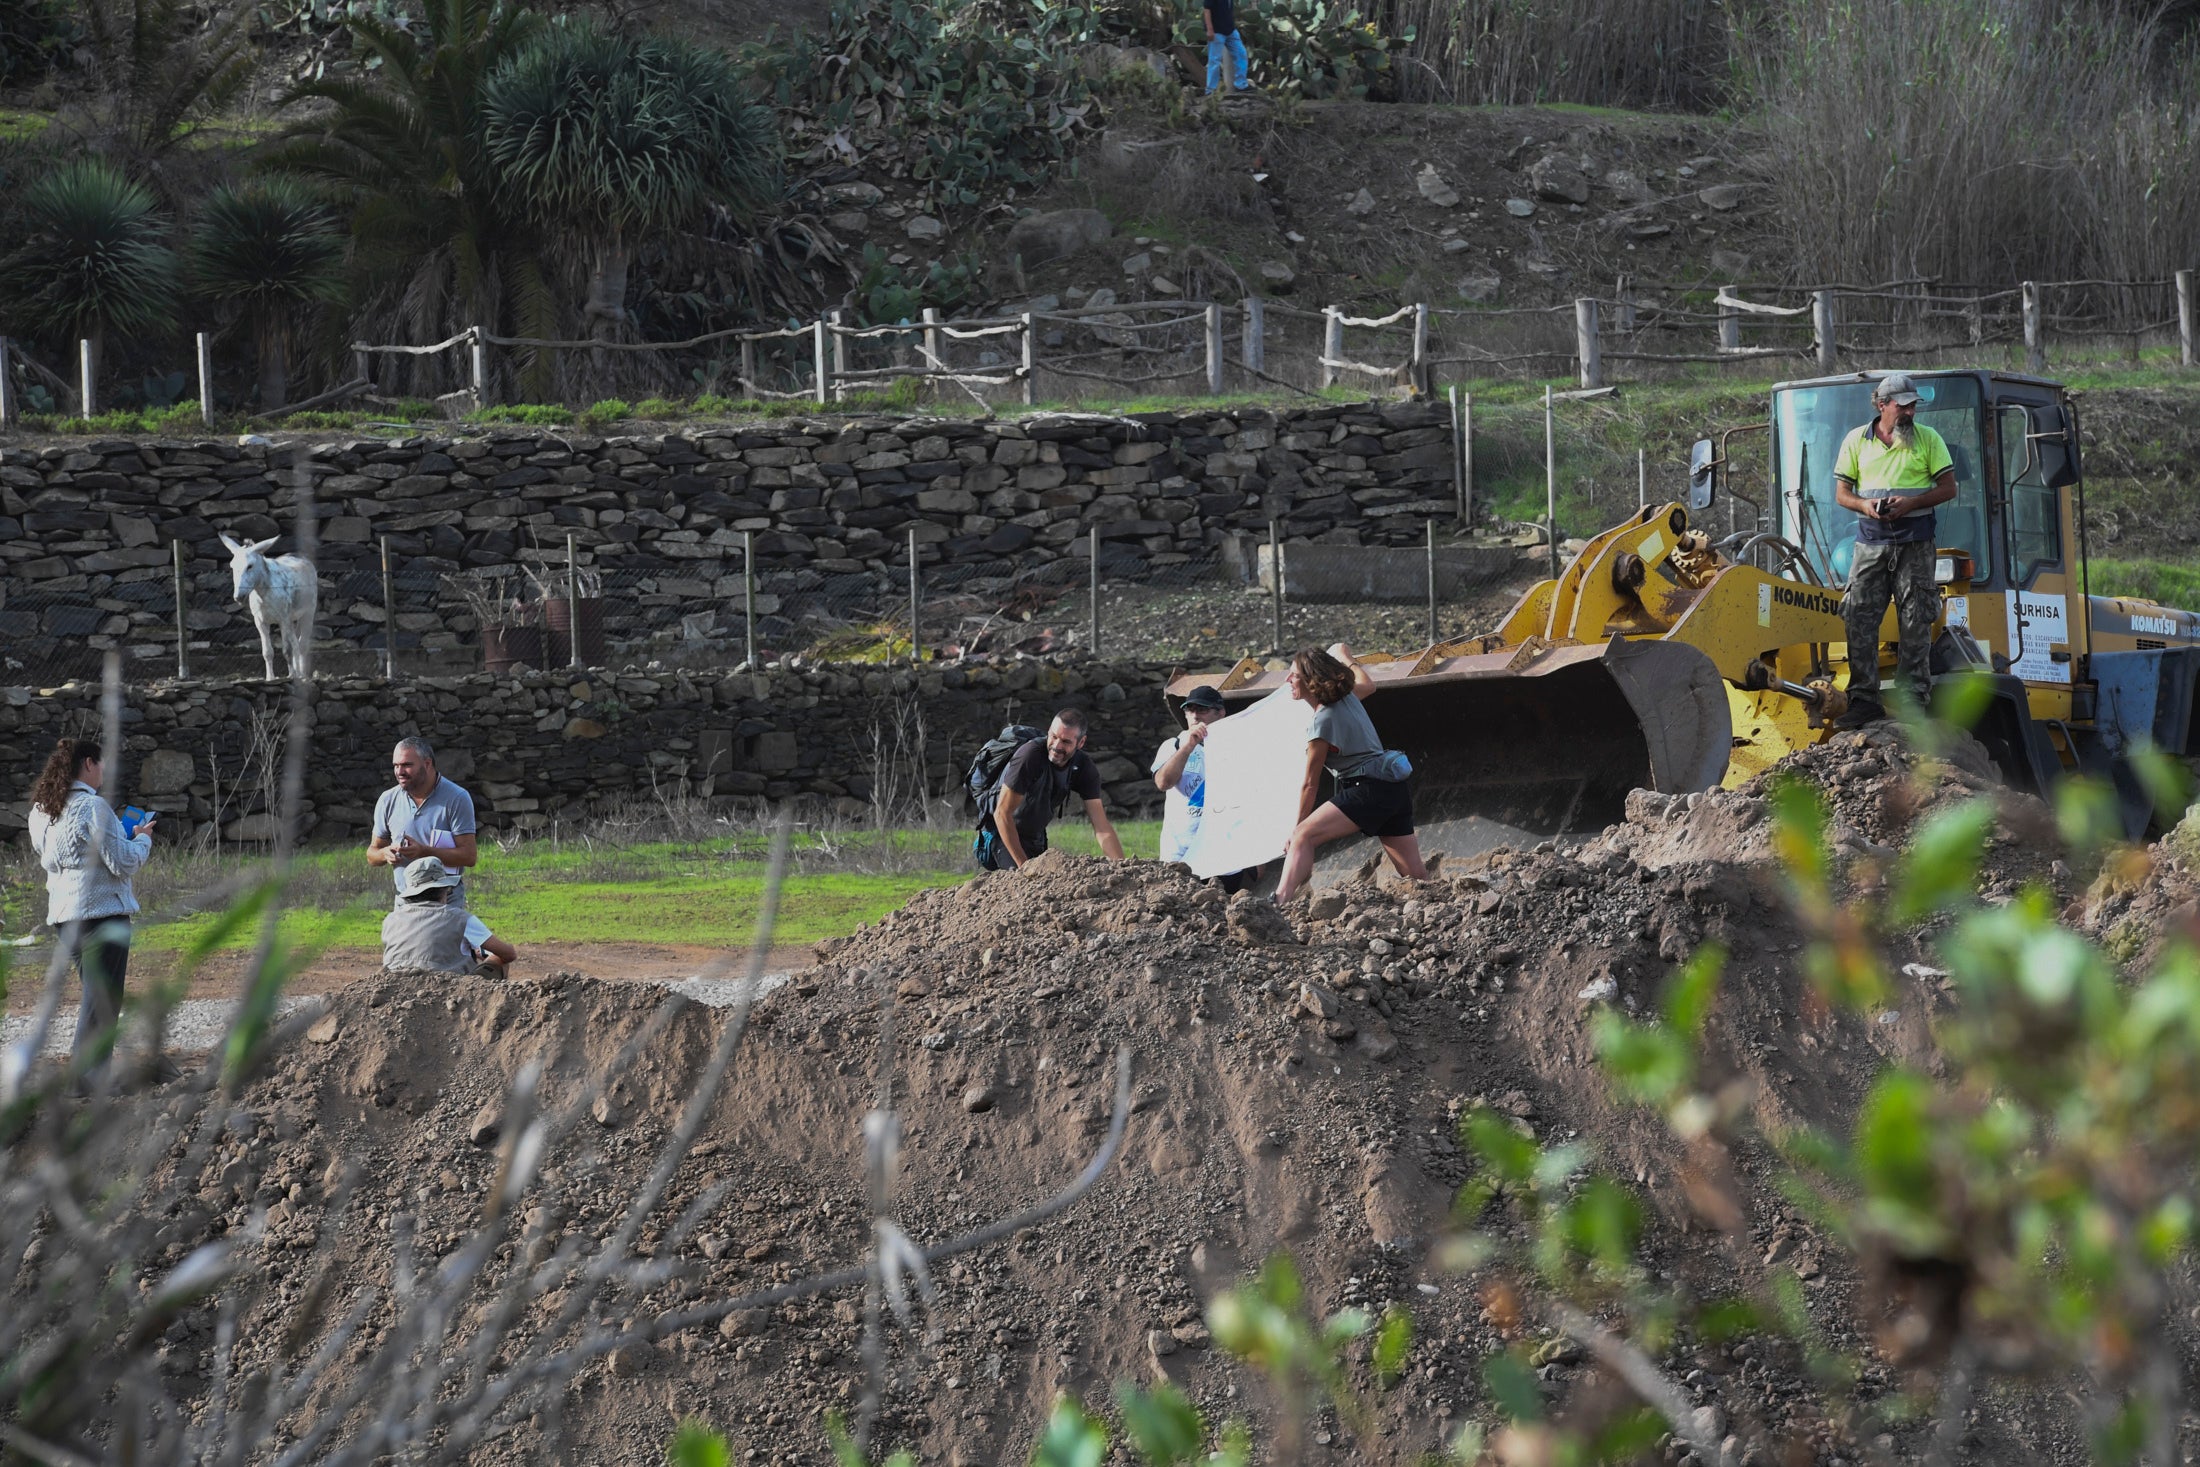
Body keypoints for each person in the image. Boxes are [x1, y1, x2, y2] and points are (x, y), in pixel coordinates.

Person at [1831, 370, 1957, 727]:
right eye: (1902, 407)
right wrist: (1866, 507)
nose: (1909, 413)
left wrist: (1910, 503)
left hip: (1915, 544)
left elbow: (1949, 489)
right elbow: (1842, 494)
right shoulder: (1856, 441)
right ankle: (1864, 699)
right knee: (1857, 615)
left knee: (1916, 618)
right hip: (1870, 544)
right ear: (1882, 405)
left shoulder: (1929, 439)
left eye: (1913, 406)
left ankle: (1913, 699)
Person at [26, 737, 155, 1073]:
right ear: (87, 764)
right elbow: (124, 862)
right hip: (103, 916)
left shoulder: (41, 812)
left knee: (97, 999)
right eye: (101, 764)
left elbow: (68, 858)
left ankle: (93, 1073)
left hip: (65, 919)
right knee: (103, 1002)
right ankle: (85, 1078)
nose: (104, 772)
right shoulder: (93, 807)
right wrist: (142, 838)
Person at [1274, 643, 1425, 904]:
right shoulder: (1348, 698)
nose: (1287, 679)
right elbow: (1369, 684)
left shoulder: (1320, 723)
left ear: (1311, 682)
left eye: (1294, 675)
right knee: (1416, 878)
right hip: (1394, 790)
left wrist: (1297, 828)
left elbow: (1310, 784)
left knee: (1303, 836)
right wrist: (1346, 657)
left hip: (1366, 790)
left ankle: (1278, 903)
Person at [980, 708, 1126, 871]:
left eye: (1066, 742)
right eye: (1054, 736)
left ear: (1081, 742)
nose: (1056, 746)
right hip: (1002, 832)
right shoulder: (1029, 756)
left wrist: (1121, 868)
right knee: (1026, 885)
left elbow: (1101, 826)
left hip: (1036, 836)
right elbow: (1001, 813)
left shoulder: (1084, 766)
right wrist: (1024, 867)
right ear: (1049, 731)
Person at [1152, 684, 1254, 892]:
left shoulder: (1239, 748)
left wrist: (1256, 856)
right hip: (1180, 855)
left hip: (1226, 858)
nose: (1195, 716)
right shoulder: (1172, 745)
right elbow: (1163, 782)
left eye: (1203, 710)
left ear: (1221, 713)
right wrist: (1188, 747)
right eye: (1190, 710)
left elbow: (1250, 801)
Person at [367, 736, 478, 903]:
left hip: (446, 901)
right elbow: (372, 854)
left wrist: (424, 851)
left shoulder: (456, 798)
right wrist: (385, 853)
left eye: (406, 765)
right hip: (405, 901)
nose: (399, 772)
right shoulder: (387, 800)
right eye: (396, 766)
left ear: (427, 764)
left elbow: (469, 856)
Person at [381, 858, 476, 974]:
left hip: (395, 980)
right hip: (447, 984)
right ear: (444, 889)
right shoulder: (460, 918)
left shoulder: (391, 919)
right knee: (495, 959)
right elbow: (503, 952)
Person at [1204, 0, 1250, 94]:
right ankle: (1210, 90)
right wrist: (1209, 29)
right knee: (1214, 61)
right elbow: (1207, 9)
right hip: (1217, 32)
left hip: (1231, 31)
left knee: (1241, 54)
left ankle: (1241, 85)